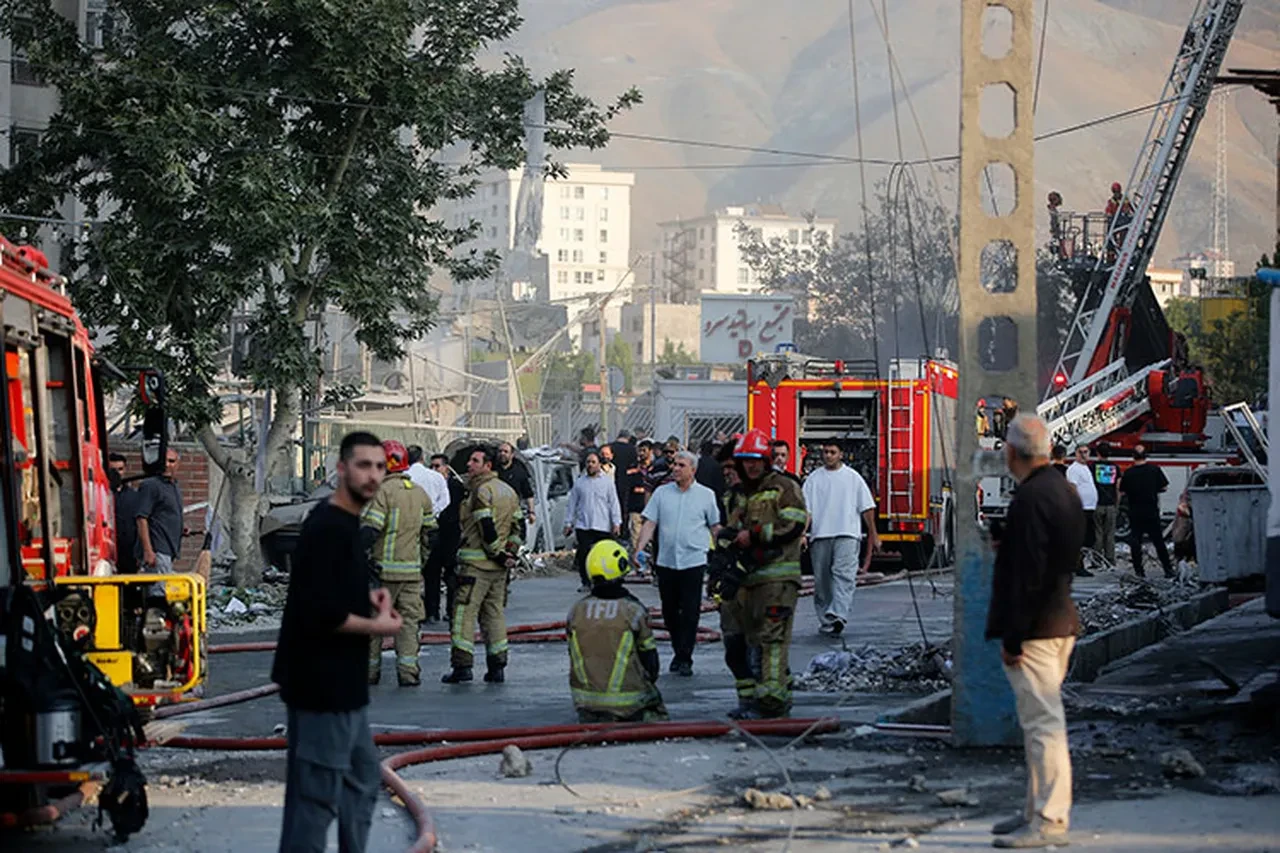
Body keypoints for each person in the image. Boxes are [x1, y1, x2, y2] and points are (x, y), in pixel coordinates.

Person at [272, 431, 403, 853]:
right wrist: (379, 628)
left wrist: (368, 598)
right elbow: (319, 613)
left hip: (345, 690)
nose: (372, 475)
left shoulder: (346, 524)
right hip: (320, 688)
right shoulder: (327, 526)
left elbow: (328, 590)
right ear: (341, 469)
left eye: (380, 467)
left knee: (363, 780)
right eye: (363, 465)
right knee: (315, 801)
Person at [985, 414, 1084, 849]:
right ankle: (1033, 809)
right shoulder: (1063, 491)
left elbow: (1028, 576)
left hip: (1036, 632)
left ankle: (1049, 819)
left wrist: (1012, 638)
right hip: (1061, 620)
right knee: (1037, 724)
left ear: (1011, 451)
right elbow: (1054, 558)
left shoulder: (1028, 499)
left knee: (1044, 724)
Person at [724, 428, 809, 719]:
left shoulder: (784, 487)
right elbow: (733, 530)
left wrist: (756, 535)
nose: (750, 465)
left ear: (766, 460)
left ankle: (772, 704)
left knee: (772, 640)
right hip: (749, 580)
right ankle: (756, 700)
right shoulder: (742, 495)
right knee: (749, 642)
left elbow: (795, 523)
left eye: (756, 459)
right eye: (745, 460)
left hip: (778, 579)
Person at [633, 450, 720, 677]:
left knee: (690, 611)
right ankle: (677, 647)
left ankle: (684, 656)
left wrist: (723, 553)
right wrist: (640, 548)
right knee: (670, 611)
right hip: (667, 561)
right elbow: (650, 523)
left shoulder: (706, 495)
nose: (675, 469)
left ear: (693, 469)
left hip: (694, 560)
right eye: (675, 465)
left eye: (681, 465)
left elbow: (715, 527)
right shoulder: (662, 494)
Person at [443, 446, 522, 684]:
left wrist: (497, 553)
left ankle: (462, 667)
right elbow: (519, 529)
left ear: (488, 465)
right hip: (499, 571)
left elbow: (485, 527)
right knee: (494, 615)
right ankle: (497, 666)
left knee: (463, 615)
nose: (469, 465)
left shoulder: (480, 491)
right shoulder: (508, 492)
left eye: (475, 461)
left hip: (475, 568)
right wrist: (510, 553)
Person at [566, 539, 667, 723]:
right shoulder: (633, 611)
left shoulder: (576, 611)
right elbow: (651, 664)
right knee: (658, 715)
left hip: (585, 704)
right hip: (629, 703)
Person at [362, 440, 436, 687]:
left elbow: (370, 531)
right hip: (412, 573)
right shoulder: (419, 493)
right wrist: (421, 561)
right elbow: (432, 535)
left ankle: (370, 673)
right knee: (409, 624)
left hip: (383, 573)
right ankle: (408, 673)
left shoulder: (381, 493)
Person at [802, 442, 880, 637]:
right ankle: (827, 619)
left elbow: (867, 508)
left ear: (841, 454)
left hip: (847, 534)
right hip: (820, 535)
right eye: (825, 452)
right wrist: (802, 533)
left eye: (832, 452)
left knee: (844, 575)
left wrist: (874, 534)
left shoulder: (853, 478)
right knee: (822, 580)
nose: (828, 456)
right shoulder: (813, 479)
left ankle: (838, 614)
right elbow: (807, 511)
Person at [564, 450, 622, 591]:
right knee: (584, 555)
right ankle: (585, 582)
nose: (590, 465)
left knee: (602, 556)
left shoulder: (607, 483)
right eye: (588, 462)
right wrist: (568, 523)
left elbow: (614, 503)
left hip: (603, 526)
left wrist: (616, 522)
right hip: (584, 525)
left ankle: (602, 581)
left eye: (593, 462)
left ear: (599, 464)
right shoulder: (579, 483)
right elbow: (572, 504)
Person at [1119, 444, 1174, 578]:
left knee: (1135, 542)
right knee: (1158, 541)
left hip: (1135, 511)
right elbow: (1165, 487)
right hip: (1151, 511)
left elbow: (1122, 490)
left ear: (1133, 457)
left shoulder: (1129, 472)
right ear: (1146, 456)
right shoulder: (1154, 470)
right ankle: (1168, 569)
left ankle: (1139, 571)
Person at [424, 453, 466, 624]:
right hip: (434, 535)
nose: (434, 470)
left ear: (446, 468)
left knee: (451, 576)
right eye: (431, 466)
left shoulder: (456, 486)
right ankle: (431, 611)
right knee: (431, 575)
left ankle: (451, 610)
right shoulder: (429, 486)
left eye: (437, 466)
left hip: (451, 536)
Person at [135, 447, 184, 573]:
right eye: (164, 461)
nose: (167, 465)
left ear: (178, 463)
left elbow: (163, 515)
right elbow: (141, 518)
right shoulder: (151, 485)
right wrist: (148, 550)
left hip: (169, 550)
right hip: (157, 551)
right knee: (159, 591)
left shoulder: (173, 486)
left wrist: (180, 528)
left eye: (171, 461)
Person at [1065, 445, 1099, 577]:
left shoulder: (1086, 468)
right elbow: (1073, 487)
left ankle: (1078, 563)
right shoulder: (1074, 469)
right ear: (1076, 454)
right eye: (1081, 452)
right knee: (1082, 539)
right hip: (1081, 508)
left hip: (1089, 507)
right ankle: (1078, 566)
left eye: (1086, 452)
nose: (1084, 454)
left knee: (1089, 539)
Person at [496, 441, 536, 537]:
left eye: (506, 451)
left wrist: (531, 512)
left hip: (513, 514)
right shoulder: (492, 471)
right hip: (496, 515)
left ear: (512, 455)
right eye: (500, 451)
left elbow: (528, 494)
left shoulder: (519, 472)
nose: (502, 454)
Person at [109, 453, 140, 574]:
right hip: (107, 551)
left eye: (120, 469)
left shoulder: (134, 496)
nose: (118, 473)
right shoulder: (102, 493)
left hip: (129, 553)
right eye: (113, 470)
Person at [1092, 446, 1120, 565]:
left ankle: (1097, 560)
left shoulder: (1092, 467)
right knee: (1110, 533)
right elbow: (1118, 487)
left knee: (1097, 533)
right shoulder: (1115, 467)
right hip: (1110, 504)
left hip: (1097, 504)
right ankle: (1110, 559)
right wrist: (1117, 503)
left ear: (1097, 453)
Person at [406, 445, 450, 520]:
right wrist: (433, 512)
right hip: (431, 521)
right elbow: (445, 500)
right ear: (422, 458)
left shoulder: (404, 476)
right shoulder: (437, 476)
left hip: (410, 520)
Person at [695, 439, 726, 508]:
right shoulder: (717, 465)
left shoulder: (696, 463)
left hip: (697, 498)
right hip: (713, 500)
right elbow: (720, 486)